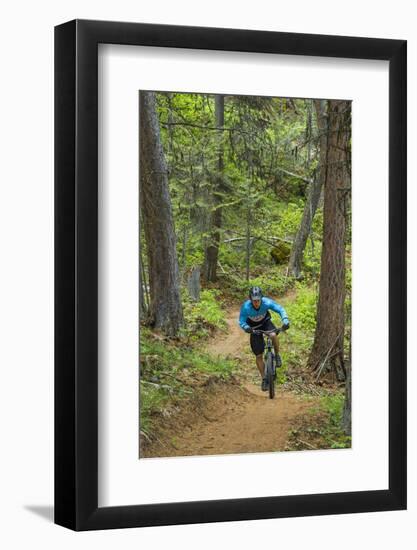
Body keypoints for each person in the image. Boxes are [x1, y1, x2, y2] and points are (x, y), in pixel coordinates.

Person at [238, 286, 290, 391]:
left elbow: (280, 309)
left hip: (266, 323)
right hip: (253, 328)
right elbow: (241, 320)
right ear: (250, 299)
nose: (256, 303)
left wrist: (285, 320)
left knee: (273, 335)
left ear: (261, 298)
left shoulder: (266, 302)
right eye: (254, 301)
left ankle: (277, 355)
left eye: (258, 300)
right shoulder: (246, 307)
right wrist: (246, 328)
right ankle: (264, 379)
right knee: (258, 355)